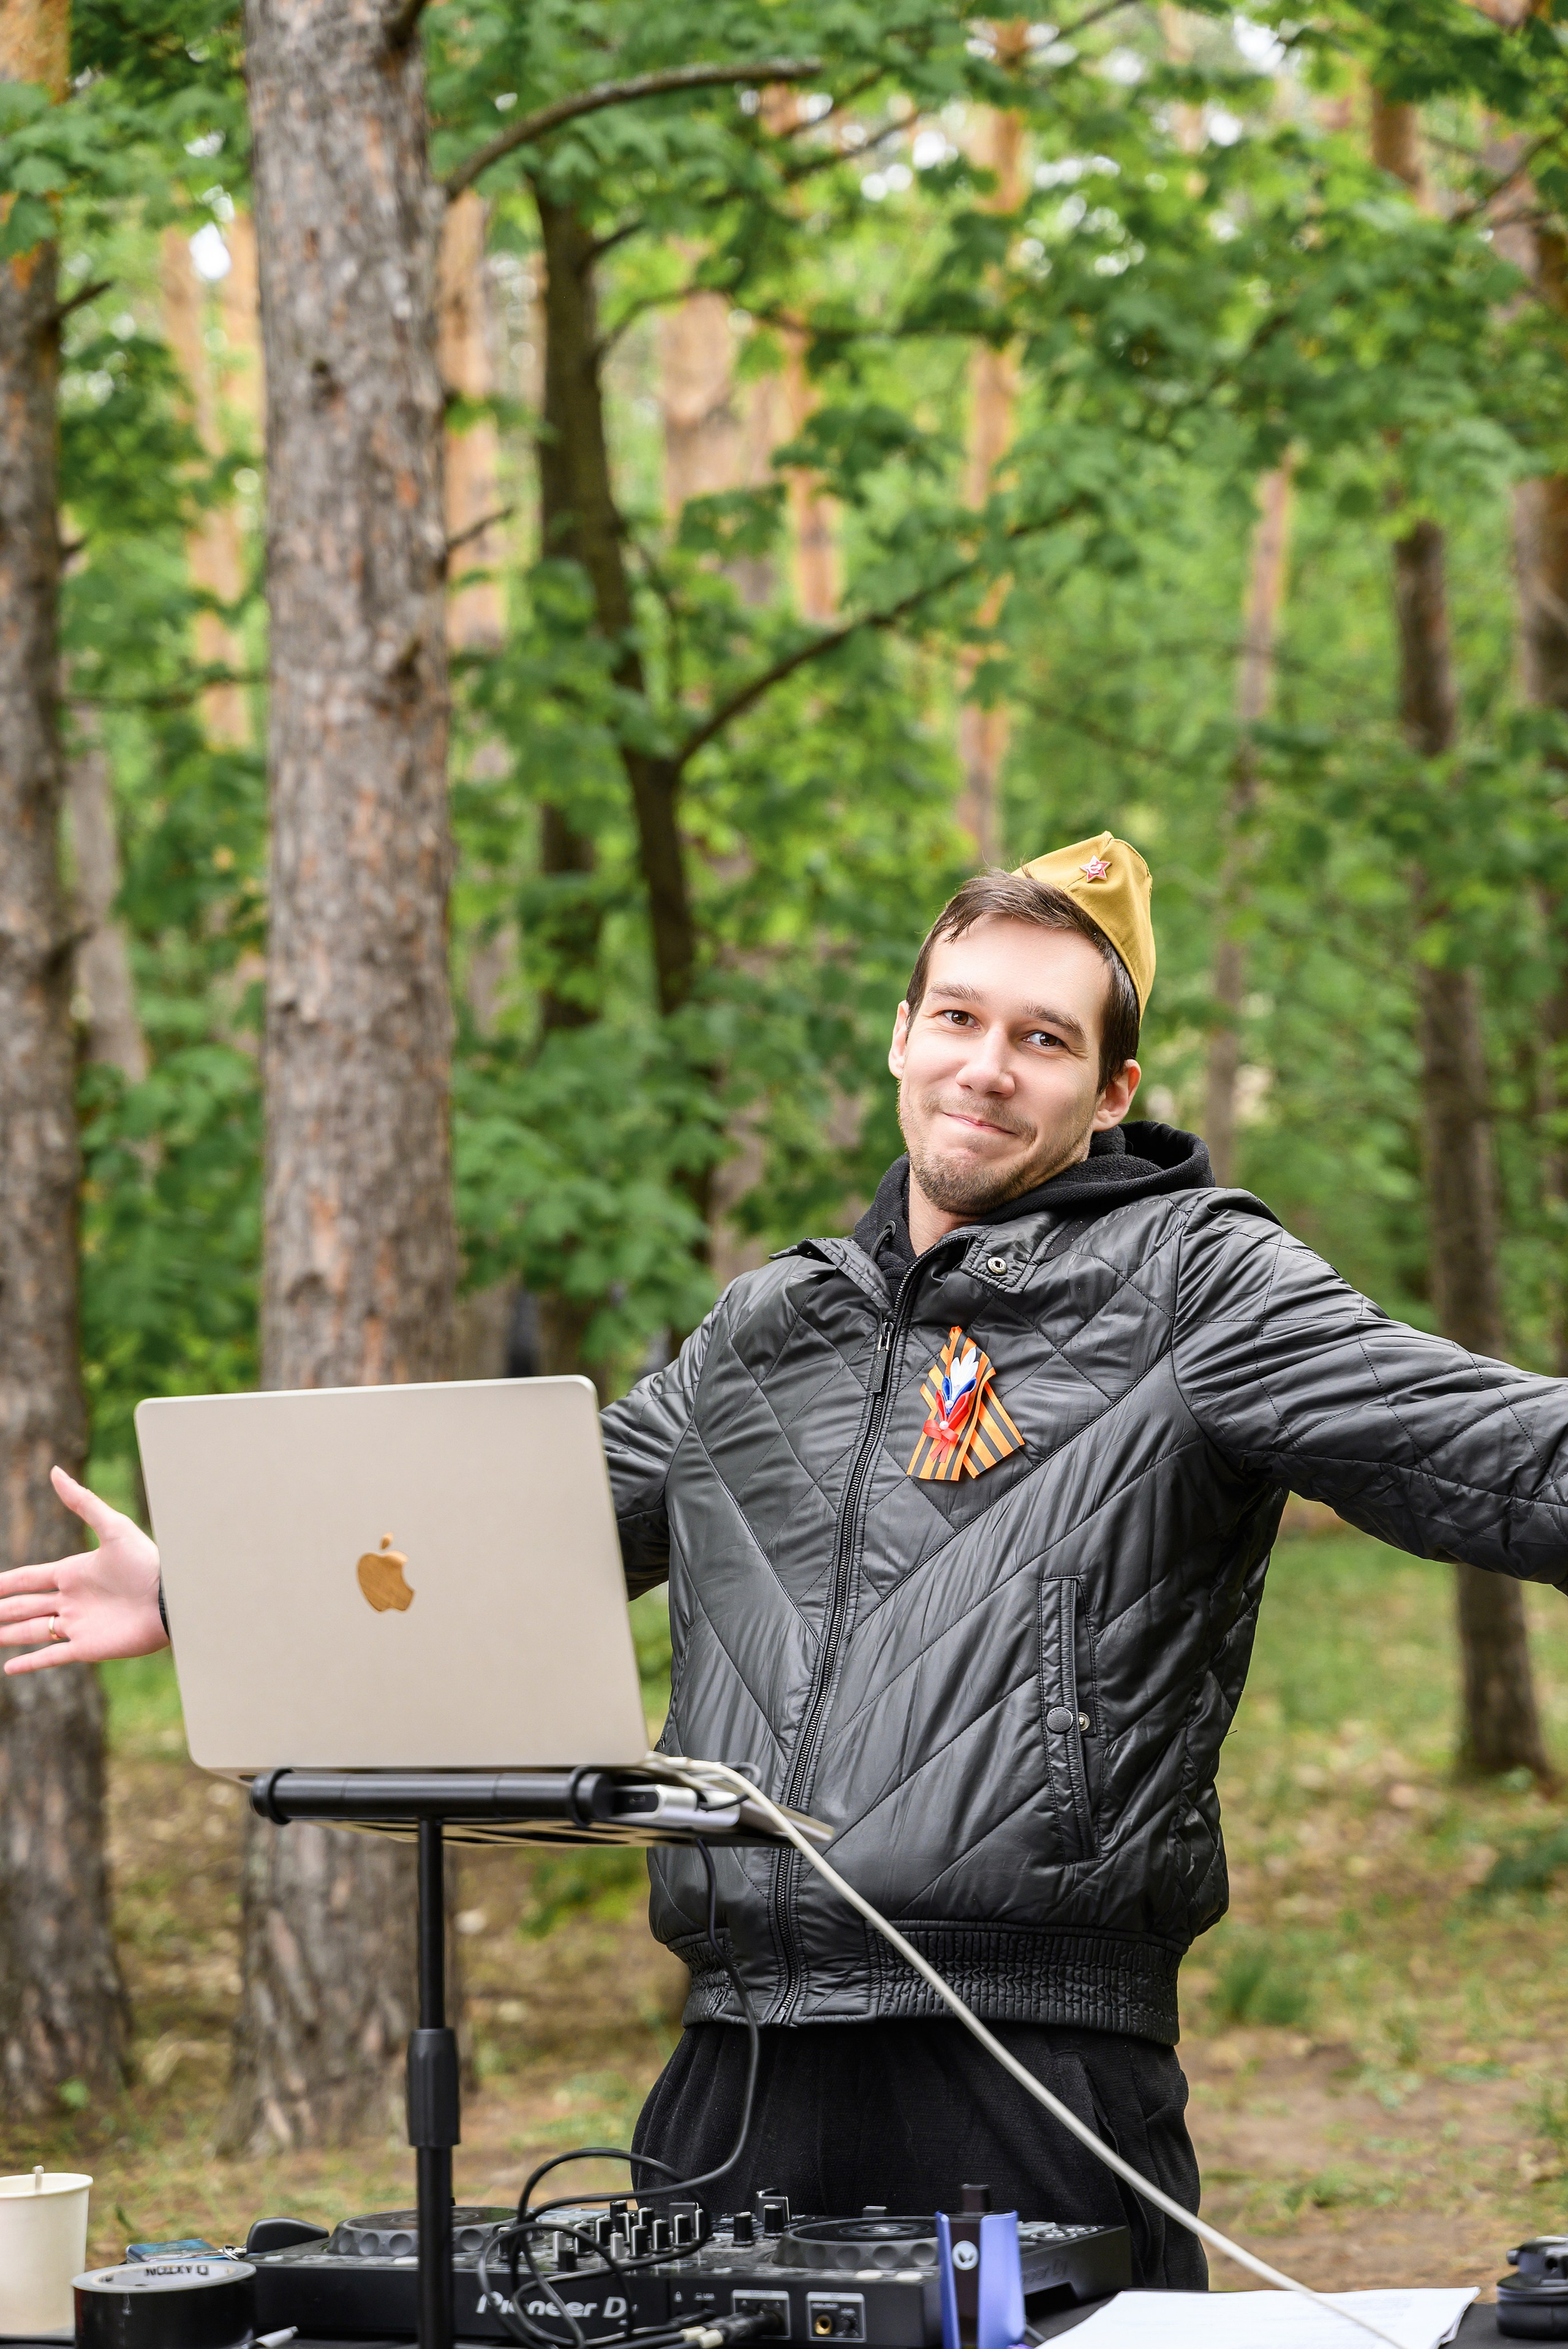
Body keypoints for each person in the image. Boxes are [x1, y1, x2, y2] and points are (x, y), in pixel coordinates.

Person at [6, 831, 1568, 2288]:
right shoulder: (766, 1327)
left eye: (1042, 1038)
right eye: (957, 1016)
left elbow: (1487, 1451)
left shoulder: (1197, 1280)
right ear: (899, 1035)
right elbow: (512, 1529)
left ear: (1111, 1092)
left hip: (1027, 2071)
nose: (985, 1065)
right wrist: (204, 1586)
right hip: (731, 2074)